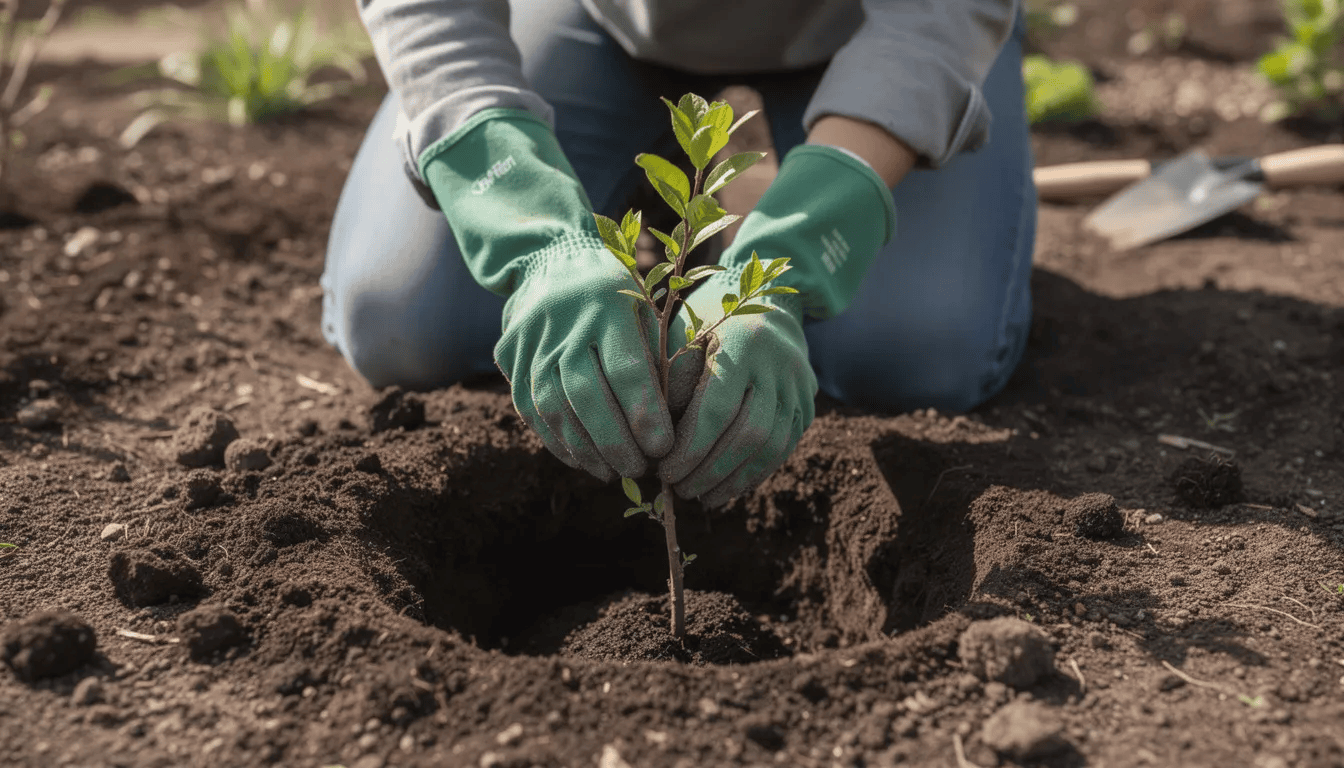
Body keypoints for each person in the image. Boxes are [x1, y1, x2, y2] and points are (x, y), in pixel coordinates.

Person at [321, 0, 1036, 507]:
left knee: (916, 348)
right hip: (600, 20)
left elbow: (934, 21)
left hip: (880, 31)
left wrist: (787, 258)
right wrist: (539, 239)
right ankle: (656, 219)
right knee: (404, 321)